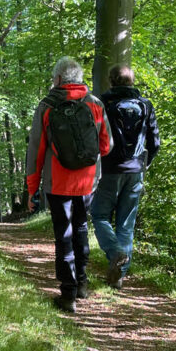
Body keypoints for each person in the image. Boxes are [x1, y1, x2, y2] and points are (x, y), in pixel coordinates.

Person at [25, 57, 112, 313]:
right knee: (81, 227)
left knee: (63, 235)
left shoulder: (47, 106)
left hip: (57, 183)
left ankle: (68, 294)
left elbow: (36, 151)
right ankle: (82, 283)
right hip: (87, 183)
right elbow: (106, 146)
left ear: (59, 79)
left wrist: (32, 189)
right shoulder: (95, 104)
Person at [90, 66, 160, 289]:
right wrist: (143, 164)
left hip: (110, 169)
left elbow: (95, 137)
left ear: (111, 81)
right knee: (126, 225)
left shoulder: (102, 104)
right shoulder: (145, 105)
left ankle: (115, 252)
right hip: (135, 171)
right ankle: (118, 275)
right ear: (132, 82)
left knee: (100, 215)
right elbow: (155, 142)